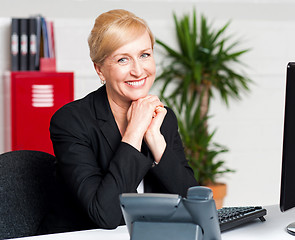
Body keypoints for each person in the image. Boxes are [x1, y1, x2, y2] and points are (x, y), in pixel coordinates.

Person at [44, 9, 198, 233]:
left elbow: (194, 205)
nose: (138, 70)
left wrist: (156, 142)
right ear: (100, 70)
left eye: (145, 55)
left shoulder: (162, 118)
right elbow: (104, 215)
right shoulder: (71, 122)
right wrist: (134, 132)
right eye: (123, 59)